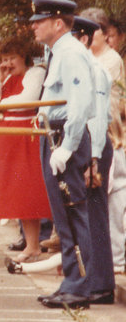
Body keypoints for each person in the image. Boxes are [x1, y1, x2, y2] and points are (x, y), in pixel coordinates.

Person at [29, 0, 98, 310]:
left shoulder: (70, 53)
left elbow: (80, 105)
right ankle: (72, 281)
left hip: (63, 140)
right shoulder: (58, 52)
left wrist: (67, 148)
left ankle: (80, 286)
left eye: (39, 21)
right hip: (54, 135)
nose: (33, 26)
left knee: (72, 215)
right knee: (63, 217)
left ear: (58, 23)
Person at [0, 35, 50, 261]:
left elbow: (28, 100)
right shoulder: (6, 78)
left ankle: (37, 243)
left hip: (25, 137)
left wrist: (1, 106)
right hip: (8, 138)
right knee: (16, 194)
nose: (7, 63)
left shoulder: (36, 73)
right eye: (4, 59)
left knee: (29, 191)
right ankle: (31, 244)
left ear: (24, 57)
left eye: (11, 58)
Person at [71, 16, 115, 304]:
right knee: (86, 216)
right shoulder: (81, 68)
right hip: (87, 147)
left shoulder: (95, 71)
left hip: (95, 148)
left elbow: (98, 118)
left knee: (94, 217)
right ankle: (92, 280)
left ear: (85, 39)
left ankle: (100, 285)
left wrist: (94, 159)